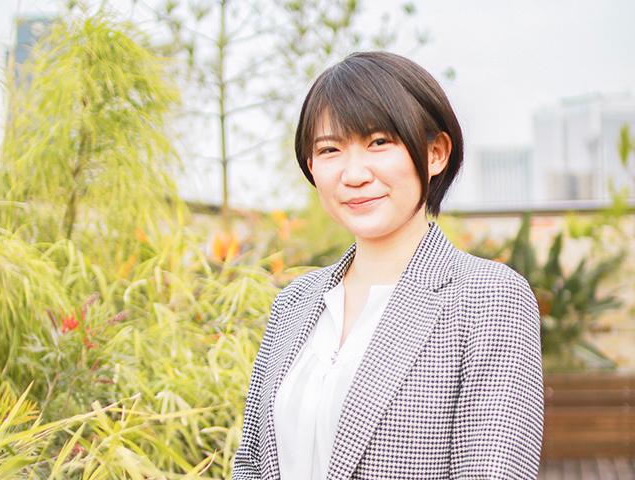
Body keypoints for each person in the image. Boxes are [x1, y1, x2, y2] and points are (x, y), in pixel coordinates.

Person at [232, 51, 544, 480]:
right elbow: (250, 463)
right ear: (311, 166)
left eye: (379, 142)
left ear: (435, 153)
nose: (354, 174)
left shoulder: (487, 298)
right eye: (330, 149)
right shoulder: (294, 303)